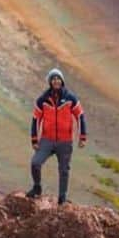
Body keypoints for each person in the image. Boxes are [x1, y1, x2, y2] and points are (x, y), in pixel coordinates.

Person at [27, 67, 87, 203]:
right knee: (35, 163)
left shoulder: (70, 98)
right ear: (50, 82)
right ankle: (37, 188)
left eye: (58, 78)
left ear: (62, 81)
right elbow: (36, 119)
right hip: (47, 140)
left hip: (65, 141)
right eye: (53, 79)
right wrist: (34, 139)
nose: (56, 81)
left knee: (64, 170)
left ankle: (62, 197)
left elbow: (80, 116)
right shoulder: (43, 100)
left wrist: (82, 137)